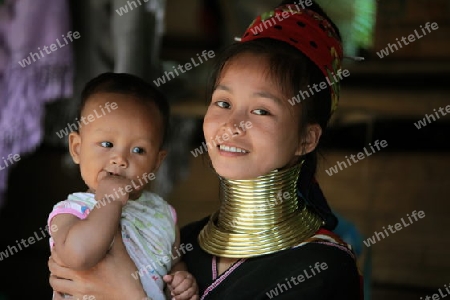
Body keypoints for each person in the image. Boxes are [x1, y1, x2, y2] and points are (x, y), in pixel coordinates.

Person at [49, 1, 363, 299]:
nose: (233, 124)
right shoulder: (183, 243)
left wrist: (128, 294)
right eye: (223, 103)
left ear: (307, 139)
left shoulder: (321, 267)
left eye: (262, 111)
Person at [47, 72, 198, 300]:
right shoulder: (71, 211)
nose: (120, 159)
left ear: (156, 162)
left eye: (138, 150)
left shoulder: (162, 214)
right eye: (107, 144)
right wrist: (109, 202)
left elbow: (173, 262)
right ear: (77, 148)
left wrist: (180, 281)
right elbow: (78, 256)